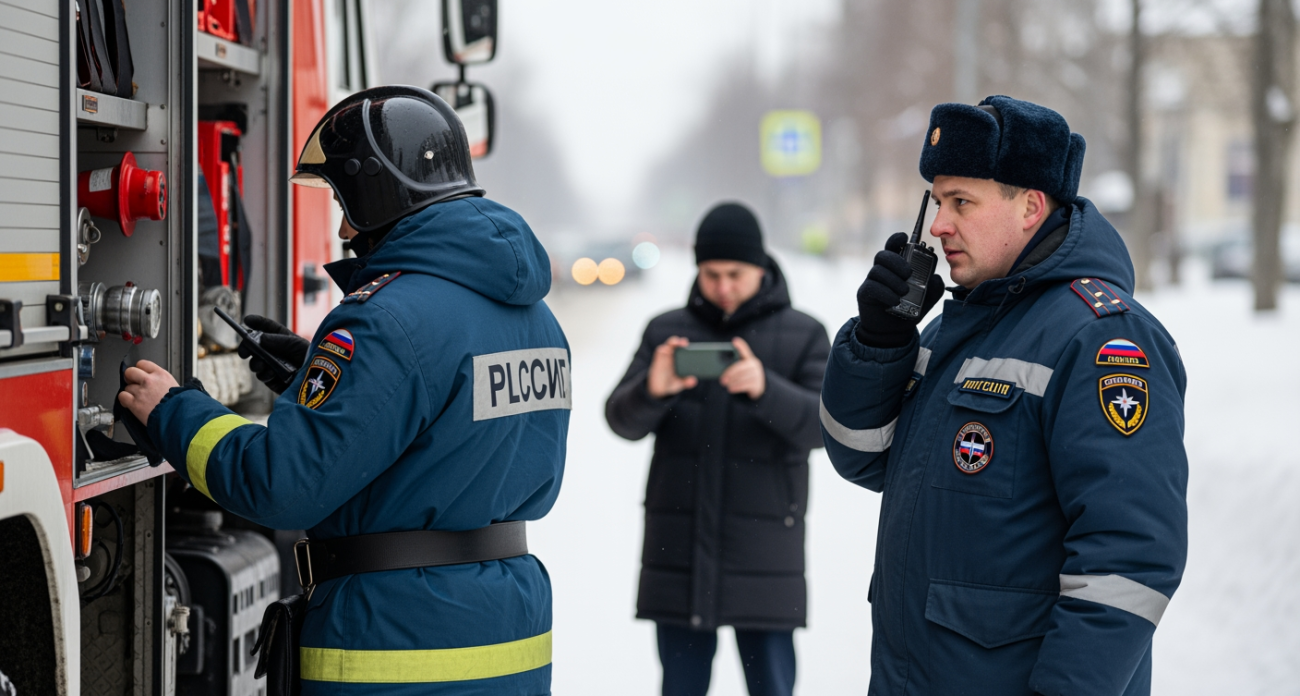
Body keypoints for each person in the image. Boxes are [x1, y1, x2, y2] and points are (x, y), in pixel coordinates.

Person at [119, 86, 571, 694]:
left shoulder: (383, 318)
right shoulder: (538, 319)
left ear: (376, 192)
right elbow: (454, 432)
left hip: (396, 641)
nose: (340, 224)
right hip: (507, 633)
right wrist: (315, 373)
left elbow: (282, 486)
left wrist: (173, 412)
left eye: (341, 199)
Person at [819, 95, 1188, 696]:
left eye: (962, 201)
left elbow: (1129, 560)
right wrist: (877, 343)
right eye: (937, 202)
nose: (939, 225)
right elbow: (859, 455)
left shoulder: (1102, 338)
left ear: (1030, 207)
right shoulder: (959, 325)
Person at [605, 203, 830, 696]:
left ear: (761, 267)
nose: (723, 286)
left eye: (735, 274)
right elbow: (619, 420)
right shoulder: (666, 331)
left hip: (766, 559)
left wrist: (764, 389)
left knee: (772, 687)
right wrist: (655, 388)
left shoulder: (805, 334)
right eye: (710, 274)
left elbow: (824, 429)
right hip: (679, 552)